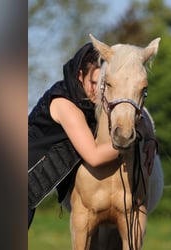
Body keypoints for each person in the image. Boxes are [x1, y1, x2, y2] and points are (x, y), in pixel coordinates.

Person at [28, 42, 157, 228]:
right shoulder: (65, 105)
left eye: (103, 84)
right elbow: (94, 157)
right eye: (94, 83)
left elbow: (136, 114)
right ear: (80, 76)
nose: (98, 90)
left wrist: (151, 138)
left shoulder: (89, 102)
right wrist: (133, 137)